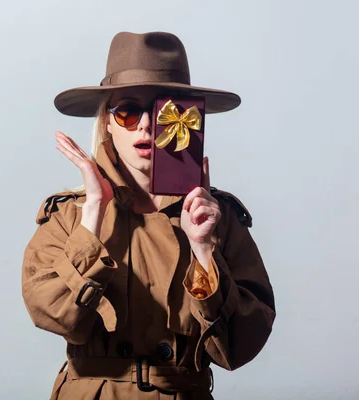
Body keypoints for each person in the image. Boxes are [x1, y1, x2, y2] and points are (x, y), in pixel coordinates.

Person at [21, 31, 276, 400]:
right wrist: (92, 215)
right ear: (106, 121)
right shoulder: (69, 215)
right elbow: (53, 314)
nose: (144, 125)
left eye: (162, 110)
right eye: (127, 110)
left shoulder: (217, 218)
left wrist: (203, 249)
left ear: (188, 118)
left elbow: (240, 346)